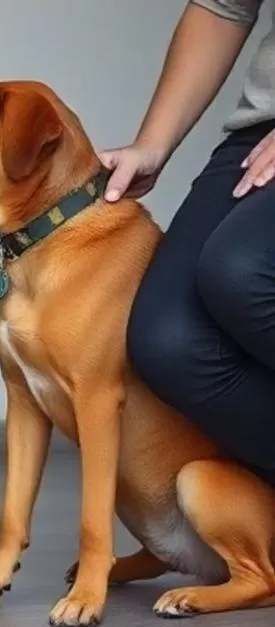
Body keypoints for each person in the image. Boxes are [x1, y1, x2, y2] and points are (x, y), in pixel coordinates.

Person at [104, 0, 275, 484]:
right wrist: (152, 143)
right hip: (262, 132)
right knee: (170, 343)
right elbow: (224, 7)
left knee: (245, 273)